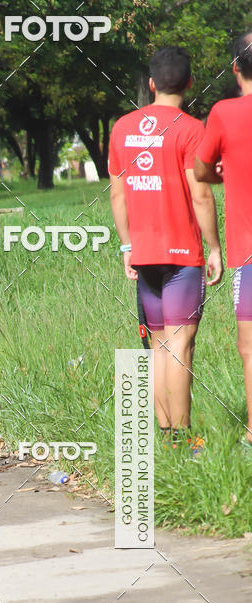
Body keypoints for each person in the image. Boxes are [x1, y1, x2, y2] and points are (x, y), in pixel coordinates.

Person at [108, 46, 223, 452]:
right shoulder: (192, 129)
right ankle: (186, 439)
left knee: (157, 343)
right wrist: (214, 247)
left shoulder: (122, 127)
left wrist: (126, 245)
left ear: (152, 83)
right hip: (182, 255)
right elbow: (202, 196)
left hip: (143, 253)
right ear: (189, 84)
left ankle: (166, 435)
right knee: (181, 343)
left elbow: (118, 193)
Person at [194, 32, 252, 450]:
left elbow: (201, 171)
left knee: (250, 347)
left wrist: (224, 171)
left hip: (248, 253)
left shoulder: (223, 113)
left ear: (235, 69)